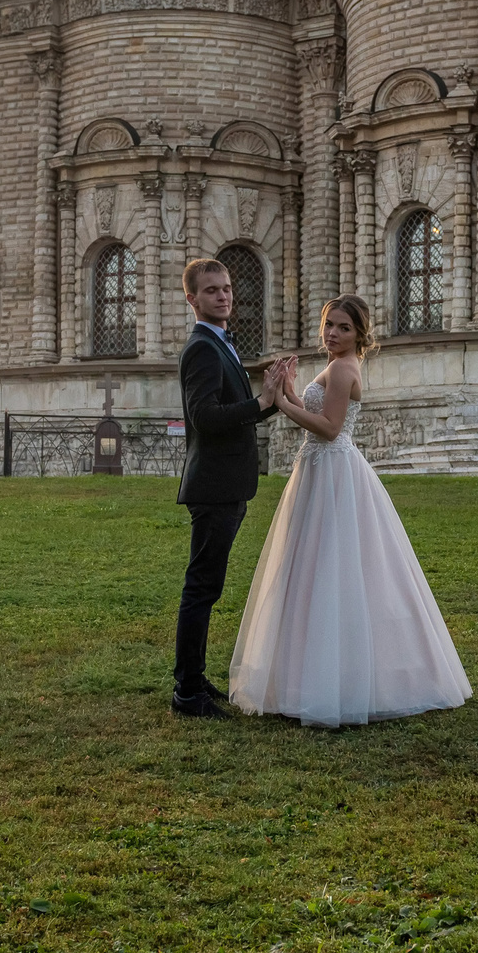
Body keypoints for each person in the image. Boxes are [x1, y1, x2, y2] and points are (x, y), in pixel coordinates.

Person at [227, 295, 472, 728]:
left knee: (331, 566)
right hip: (319, 470)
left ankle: (336, 678)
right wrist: (288, 391)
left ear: (359, 333)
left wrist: (280, 403)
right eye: (329, 325)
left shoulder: (343, 368)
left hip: (333, 471)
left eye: (343, 327)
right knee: (313, 565)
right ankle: (307, 674)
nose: (333, 334)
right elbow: (316, 412)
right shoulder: (336, 364)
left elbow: (329, 428)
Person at [171, 257, 288, 718]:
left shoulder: (222, 342)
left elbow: (237, 411)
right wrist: (260, 401)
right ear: (192, 299)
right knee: (202, 588)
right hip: (214, 486)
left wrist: (274, 398)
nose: (223, 296)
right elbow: (204, 417)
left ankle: (195, 679)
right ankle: (187, 692)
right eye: (211, 290)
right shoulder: (202, 348)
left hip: (228, 484)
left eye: (226, 288)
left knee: (208, 587)